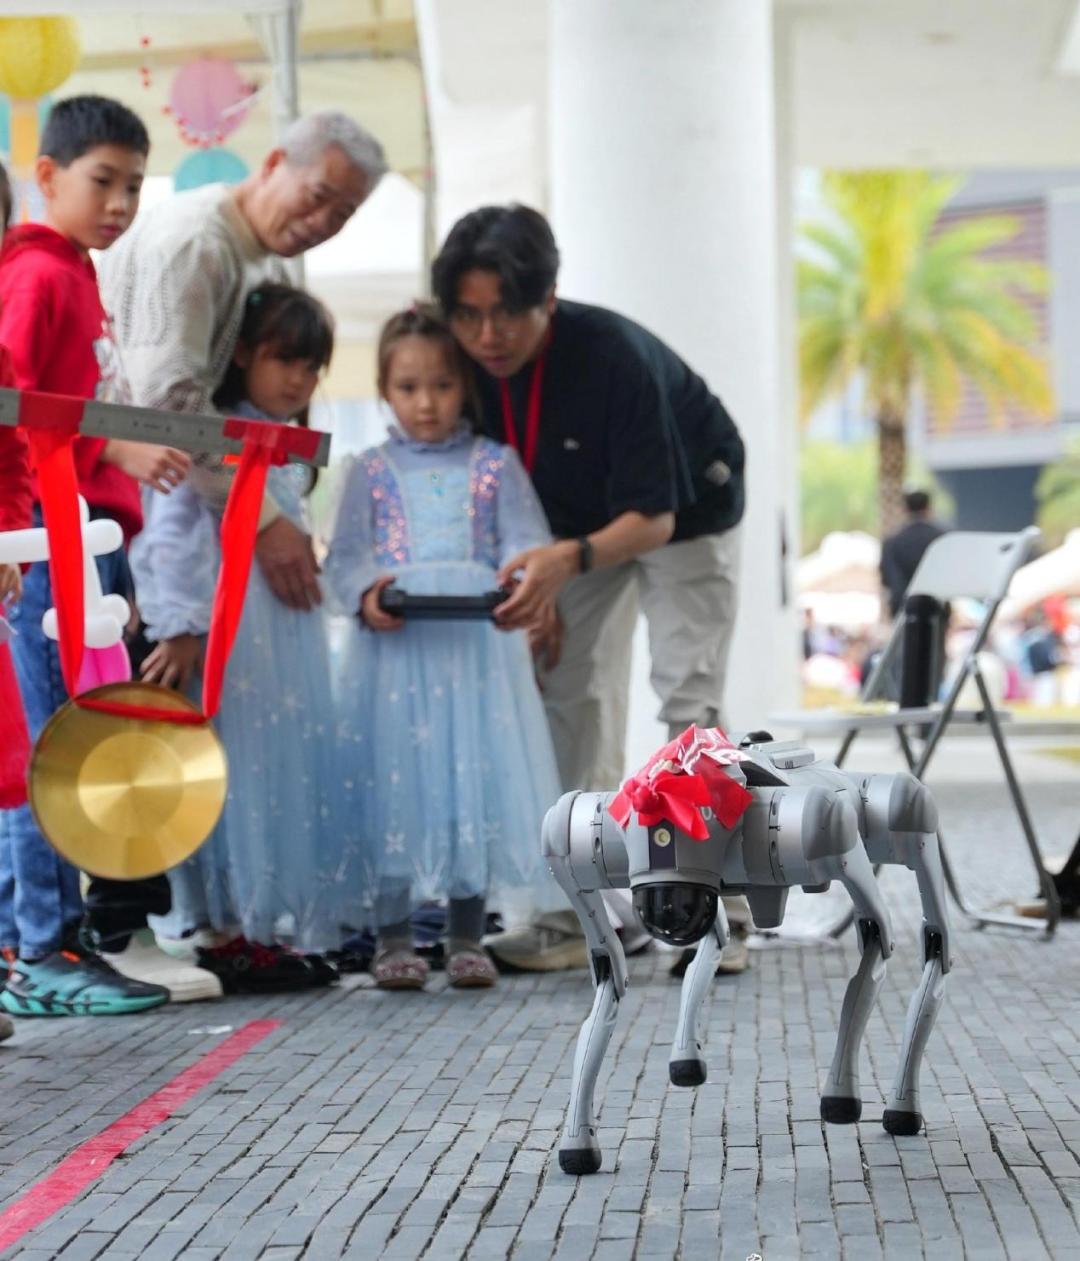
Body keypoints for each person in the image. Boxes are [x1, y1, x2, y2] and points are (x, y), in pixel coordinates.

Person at [96, 110, 387, 990]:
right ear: (272, 162)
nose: (322, 220)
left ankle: (229, 925)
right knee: (148, 739)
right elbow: (166, 415)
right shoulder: (199, 244)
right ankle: (144, 928)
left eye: (343, 213)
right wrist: (263, 516)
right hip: (129, 518)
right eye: (317, 195)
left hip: (166, 524)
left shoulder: (245, 255)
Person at [430, 205, 750, 972]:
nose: (488, 335)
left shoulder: (613, 356)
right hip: (571, 530)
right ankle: (578, 913)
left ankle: (720, 911)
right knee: (565, 696)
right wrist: (536, 578)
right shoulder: (463, 365)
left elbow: (655, 519)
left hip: (686, 512)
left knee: (689, 701)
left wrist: (563, 563)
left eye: (507, 313)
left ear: (549, 297)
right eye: (469, 315)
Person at [0, 95, 199, 1017]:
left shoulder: (76, 270)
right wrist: (110, 448)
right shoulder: (36, 274)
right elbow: (14, 410)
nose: (119, 203)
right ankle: (40, 947)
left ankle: (45, 940)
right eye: (102, 181)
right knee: (48, 745)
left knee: (73, 741)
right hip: (45, 543)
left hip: (87, 538)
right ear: (45, 176)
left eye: (134, 186)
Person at [324, 304, 564, 990]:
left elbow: (526, 542)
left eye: (442, 385)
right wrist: (368, 593)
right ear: (384, 390)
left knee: (470, 779)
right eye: (408, 387)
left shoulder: (495, 465)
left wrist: (519, 583)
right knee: (392, 782)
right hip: (395, 661)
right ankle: (393, 938)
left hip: (474, 657)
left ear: (465, 387)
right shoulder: (367, 469)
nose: (425, 403)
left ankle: (466, 935)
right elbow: (345, 559)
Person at [130, 282, 359, 992]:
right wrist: (181, 627)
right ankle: (222, 927)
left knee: (279, 772)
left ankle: (267, 926)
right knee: (230, 775)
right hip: (231, 640)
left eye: (312, 366)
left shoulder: (285, 445)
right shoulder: (217, 437)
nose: (300, 379)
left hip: (281, 647)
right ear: (241, 355)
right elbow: (173, 531)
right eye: (284, 359)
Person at [879, 489, 946, 620]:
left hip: (902, 608)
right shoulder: (942, 539)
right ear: (928, 508)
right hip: (935, 607)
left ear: (905, 509)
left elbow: (886, 578)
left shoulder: (892, 541)